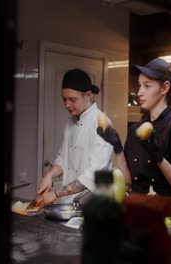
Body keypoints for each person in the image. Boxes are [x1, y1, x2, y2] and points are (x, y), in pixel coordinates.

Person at [97, 58, 171, 196]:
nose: (139, 92)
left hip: (166, 212)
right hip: (137, 208)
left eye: (147, 86)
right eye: (139, 85)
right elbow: (128, 183)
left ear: (165, 88)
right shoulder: (136, 129)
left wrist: (158, 157)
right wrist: (118, 149)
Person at [36, 68, 114, 206]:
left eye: (72, 99)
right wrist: (49, 175)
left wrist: (56, 194)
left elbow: (94, 175)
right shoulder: (70, 122)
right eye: (64, 99)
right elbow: (63, 158)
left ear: (88, 95)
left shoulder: (102, 123)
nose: (67, 105)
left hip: (94, 206)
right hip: (69, 204)